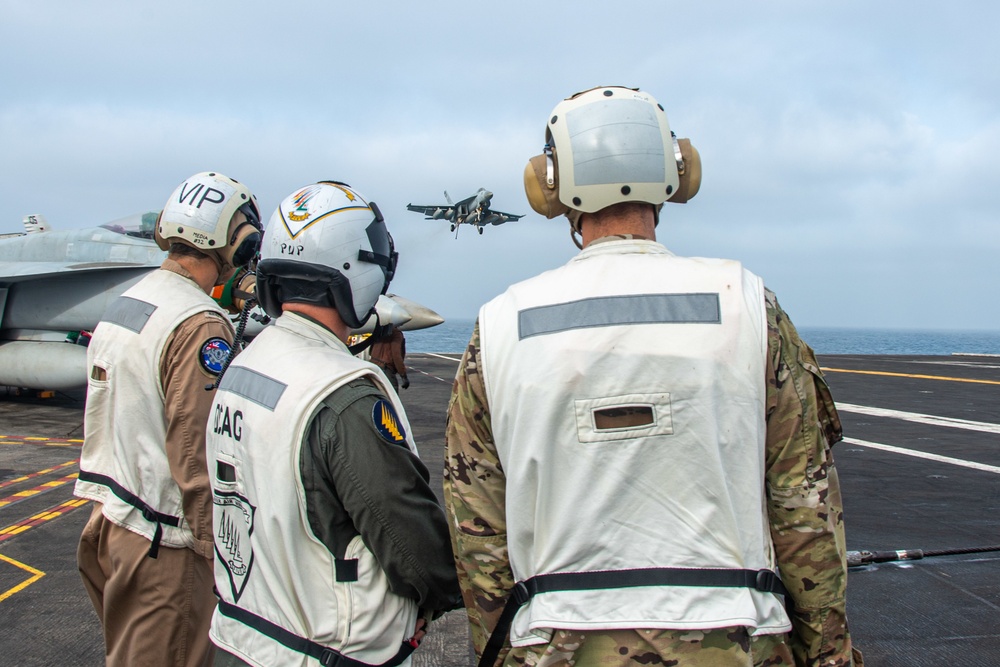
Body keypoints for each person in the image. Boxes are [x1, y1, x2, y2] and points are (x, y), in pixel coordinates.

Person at [444, 86, 863, 667]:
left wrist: (499, 652)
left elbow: (477, 527)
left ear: (549, 182)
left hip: (553, 646)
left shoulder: (498, 327)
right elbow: (804, 503)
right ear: (677, 171)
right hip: (738, 642)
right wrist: (829, 655)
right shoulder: (747, 305)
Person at [205, 180, 462, 667]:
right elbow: (404, 530)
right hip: (326, 650)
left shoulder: (243, 366)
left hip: (244, 635)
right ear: (357, 271)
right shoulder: (341, 392)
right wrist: (440, 591)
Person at [74, 171, 263, 667]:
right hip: (165, 546)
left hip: (109, 519)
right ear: (231, 240)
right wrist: (220, 555)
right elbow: (196, 452)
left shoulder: (132, 299)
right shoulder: (199, 322)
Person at [369, 325, 410, 392]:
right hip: (385, 369)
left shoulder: (380, 329)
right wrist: (403, 375)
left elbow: (370, 351)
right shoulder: (396, 333)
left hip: (373, 368)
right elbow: (396, 355)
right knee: (392, 395)